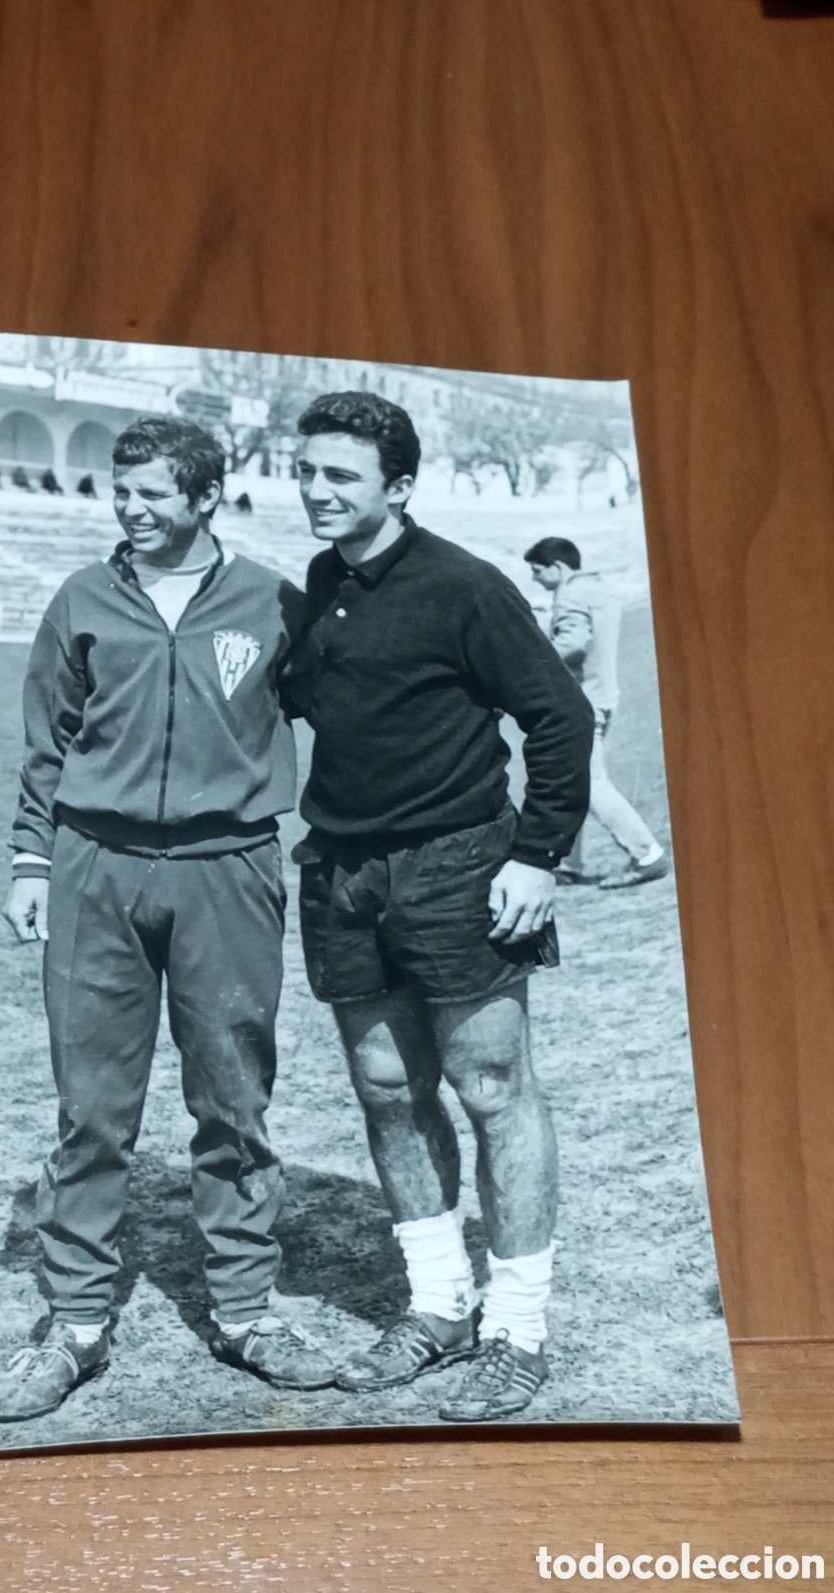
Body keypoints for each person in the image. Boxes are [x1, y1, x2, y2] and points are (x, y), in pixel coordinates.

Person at [0, 414, 335, 1424]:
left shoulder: (273, 600)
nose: (132, 509)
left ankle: (245, 1311)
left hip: (229, 868)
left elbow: (344, 716)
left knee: (233, 1097)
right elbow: (47, 741)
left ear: (205, 496)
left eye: (153, 494)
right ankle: (76, 1325)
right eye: (122, 491)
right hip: (92, 867)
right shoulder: (82, 598)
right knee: (92, 1107)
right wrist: (30, 862)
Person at [282, 392, 594, 1422]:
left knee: (493, 1087)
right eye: (307, 471)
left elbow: (560, 717)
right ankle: (440, 1307)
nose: (318, 490)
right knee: (385, 1087)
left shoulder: (466, 585)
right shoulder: (324, 581)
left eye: (343, 476)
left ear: (401, 486)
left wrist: (537, 855)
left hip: (459, 864)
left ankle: (518, 1328)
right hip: (343, 869)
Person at [524, 537, 669, 889]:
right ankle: (568, 863)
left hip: (583, 702)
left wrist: (529, 661)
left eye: (538, 571)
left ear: (558, 567)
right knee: (573, 778)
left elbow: (573, 642)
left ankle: (647, 855)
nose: (534, 579)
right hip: (605, 695)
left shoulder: (570, 595)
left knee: (590, 782)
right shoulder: (599, 588)